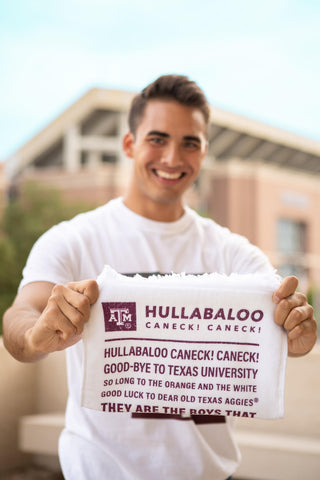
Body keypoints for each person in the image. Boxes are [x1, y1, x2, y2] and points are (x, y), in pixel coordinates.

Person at [3, 74, 317, 480]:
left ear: (204, 152)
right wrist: (35, 334)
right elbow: (20, 316)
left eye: (190, 142)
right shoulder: (73, 239)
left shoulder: (233, 252)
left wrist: (299, 333)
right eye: (157, 138)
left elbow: (286, 326)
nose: (172, 157)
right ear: (130, 144)